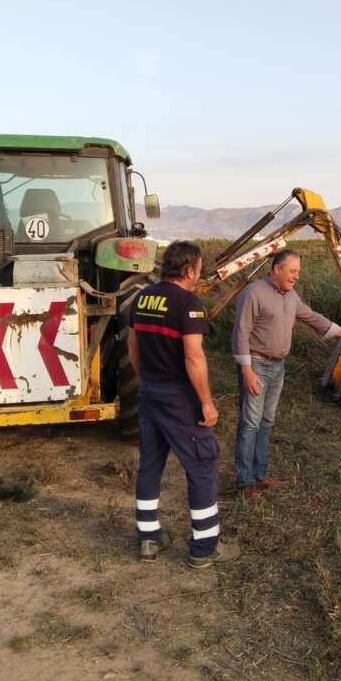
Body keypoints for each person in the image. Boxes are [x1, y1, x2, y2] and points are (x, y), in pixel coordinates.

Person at [126, 241, 239, 569]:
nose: (199, 274)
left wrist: (146, 379)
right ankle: (204, 547)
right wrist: (206, 402)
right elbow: (193, 356)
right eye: (199, 268)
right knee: (202, 466)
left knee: (150, 464)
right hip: (178, 399)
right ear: (190, 270)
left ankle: (148, 538)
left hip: (149, 393)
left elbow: (132, 344)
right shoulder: (188, 303)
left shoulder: (142, 298)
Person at [231, 249, 341, 497]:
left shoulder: (291, 296)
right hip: (257, 365)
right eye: (293, 271)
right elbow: (240, 333)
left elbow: (312, 317)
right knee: (250, 423)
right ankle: (244, 482)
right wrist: (247, 371)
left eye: (298, 272)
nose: (296, 276)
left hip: (278, 367)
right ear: (277, 269)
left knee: (266, 421)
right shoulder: (253, 293)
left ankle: (260, 475)